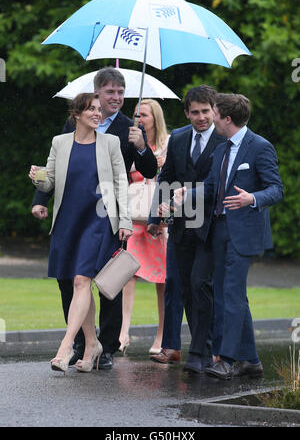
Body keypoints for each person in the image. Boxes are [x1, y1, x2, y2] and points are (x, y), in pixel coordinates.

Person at [31, 67, 157, 370]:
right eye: (110, 92)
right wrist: (39, 196)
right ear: (96, 93)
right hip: (71, 214)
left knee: (103, 281)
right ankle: (85, 344)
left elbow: (147, 172)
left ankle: (103, 345)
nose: (116, 97)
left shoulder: (129, 128)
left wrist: (141, 146)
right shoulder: (69, 129)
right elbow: (59, 170)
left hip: (104, 216)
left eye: (120, 92)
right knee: (71, 280)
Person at [175, 93, 283, 379]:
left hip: (244, 233)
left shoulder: (260, 147)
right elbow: (211, 187)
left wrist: (253, 198)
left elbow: (276, 190)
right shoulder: (221, 149)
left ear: (226, 118)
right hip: (218, 230)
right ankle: (251, 360)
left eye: (213, 112)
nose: (209, 117)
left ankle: (227, 359)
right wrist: (190, 193)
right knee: (230, 295)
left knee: (231, 296)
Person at [151, 86, 224, 371]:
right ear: (186, 113)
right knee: (179, 286)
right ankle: (192, 348)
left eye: (206, 111)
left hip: (211, 226)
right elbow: (166, 177)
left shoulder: (224, 138)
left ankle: (207, 350)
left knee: (201, 286)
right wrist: (155, 216)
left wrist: (188, 193)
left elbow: (219, 184)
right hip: (180, 225)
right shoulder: (179, 137)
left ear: (215, 110)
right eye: (195, 112)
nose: (201, 117)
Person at [119, 99, 169, 354]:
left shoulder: (167, 143)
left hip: (158, 218)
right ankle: (123, 331)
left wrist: (159, 162)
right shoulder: (130, 140)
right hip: (134, 215)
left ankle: (161, 335)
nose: (139, 118)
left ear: (155, 118)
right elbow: (122, 172)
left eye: (145, 115)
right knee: (128, 273)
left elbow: (173, 176)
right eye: (136, 114)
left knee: (162, 278)